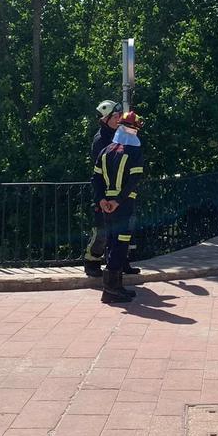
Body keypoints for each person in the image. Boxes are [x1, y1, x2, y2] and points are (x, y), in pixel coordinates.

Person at [91, 110, 146, 304]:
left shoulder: (105, 151)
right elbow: (134, 181)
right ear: (133, 129)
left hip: (106, 205)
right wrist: (118, 201)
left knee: (112, 241)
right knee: (121, 244)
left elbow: (96, 179)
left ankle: (115, 286)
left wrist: (101, 200)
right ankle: (111, 289)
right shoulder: (134, 151)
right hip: (123, 205)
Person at [84, 100, 122, 277]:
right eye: (115, 117)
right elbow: (99, 173)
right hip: (106, 192)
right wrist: (101, 197)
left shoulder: (120, 134)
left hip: (120, 191)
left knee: (123, 230)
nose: (118, 119)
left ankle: (122, 262)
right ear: (105, 119)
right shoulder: (100, 141)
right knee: (102, 231)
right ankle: (92, 262)